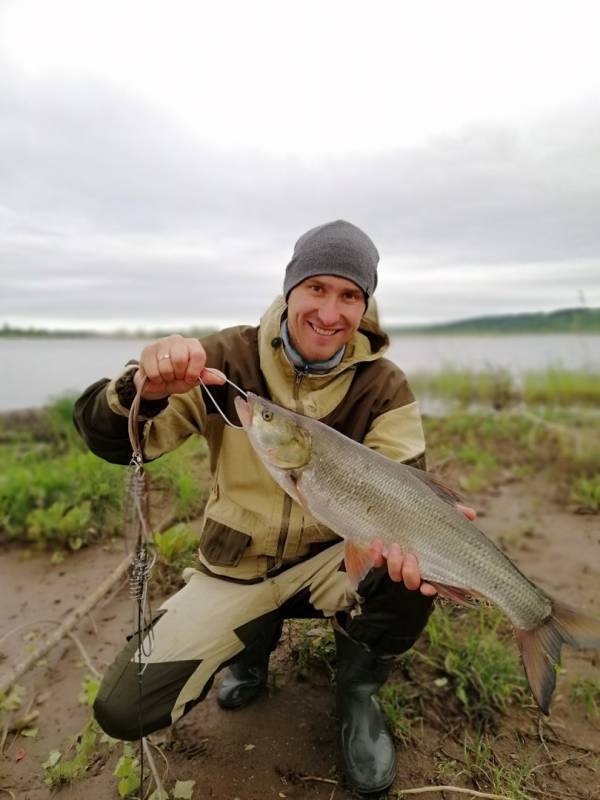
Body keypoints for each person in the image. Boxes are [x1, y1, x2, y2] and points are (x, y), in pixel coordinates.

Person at [74, 220, 474, 795]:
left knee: (410, 568)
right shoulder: (222, 360)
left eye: (350, 295)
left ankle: (357, 695)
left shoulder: (385, 387)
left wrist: (430, 535)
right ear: (289, 289)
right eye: (317, 288)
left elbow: (406, 487)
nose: (331, 312)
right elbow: (116, 442)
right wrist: (143, 386)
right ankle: (249, 649)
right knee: (123, 708)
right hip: (237, 567)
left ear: (365, 306)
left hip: (329, 565)